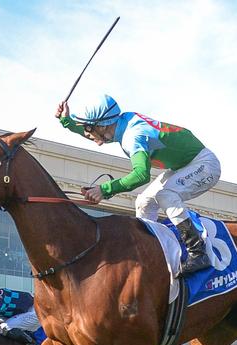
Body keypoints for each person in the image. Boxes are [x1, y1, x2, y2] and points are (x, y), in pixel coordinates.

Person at [56, 95, 222, 275]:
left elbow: (141, 175)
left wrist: (104, 190)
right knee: (143, 202)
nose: (87, 133)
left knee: (165, 196)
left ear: (102, 125)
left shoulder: (133, 136)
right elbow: (100, 135)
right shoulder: (121, 122)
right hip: (182, 166)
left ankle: (198, 252)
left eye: (88, 128)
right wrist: (67, 121)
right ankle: (152, 251)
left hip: (204, 165)